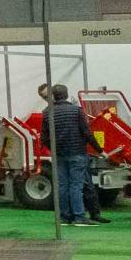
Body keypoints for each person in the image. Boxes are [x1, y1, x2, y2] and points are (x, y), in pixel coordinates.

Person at [46, 84, 98, 226]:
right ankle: (79, 217)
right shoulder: (76, 111)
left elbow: (44, 137)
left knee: (62, 185)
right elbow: (86, 132)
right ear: (67, 94)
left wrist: (53, 149)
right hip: (77, 152)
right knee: (76, 185)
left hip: (59, 154)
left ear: (53, 96)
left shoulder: (47, 112)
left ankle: (64, 217)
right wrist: (98, 149)